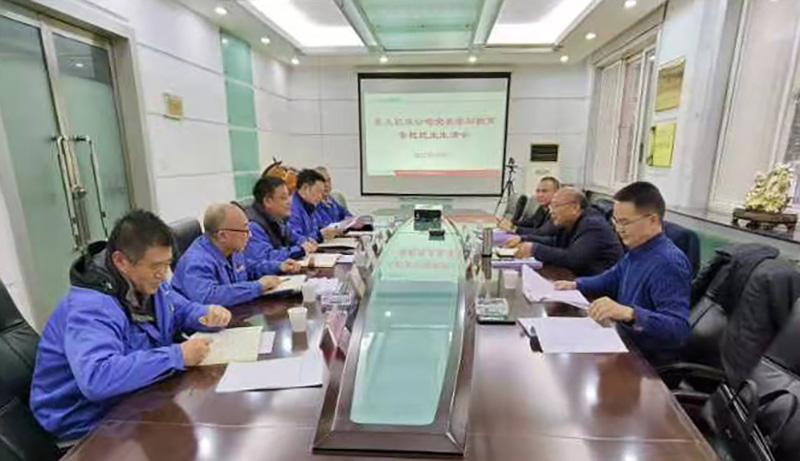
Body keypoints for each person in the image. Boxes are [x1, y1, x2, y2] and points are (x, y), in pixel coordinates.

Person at [30, 210, 233, 440]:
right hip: (87, 423)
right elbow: (97, 378)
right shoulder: (91, 307)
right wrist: (177, 356)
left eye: (167, 264)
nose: (163, 275)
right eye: (156, 266)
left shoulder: (146, 281)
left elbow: (179, 309)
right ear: (121, 261)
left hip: (133, 400)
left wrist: (205, 314)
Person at [554, 182, 692, 365]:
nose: (618, 229)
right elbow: (612, 278)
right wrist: (576, 284)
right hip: (622, 341)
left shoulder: (668, 263)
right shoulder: (638, 249)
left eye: (625, 222)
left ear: (653, 220)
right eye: (616, 221)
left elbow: (678, 330)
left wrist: (630, 313)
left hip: (644, 361)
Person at [172, 203, 300, 306]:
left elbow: (248, 268)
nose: (250, 235)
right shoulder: (197, 261)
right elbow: (208, 297)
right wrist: (257, 286)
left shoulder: (231, 249)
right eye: (244, 230)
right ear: (222, 235)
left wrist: (278, 266)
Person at [513, 187, 622, 276]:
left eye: (556, 206)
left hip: (599, 288)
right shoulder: (570, 222)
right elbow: (556, 242)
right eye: (551, 206)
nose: (551, 212)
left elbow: (574, 259)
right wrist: (525, 239)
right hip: (579, 279)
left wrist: (536, 249)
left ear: (575, 208)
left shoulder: (593, 225)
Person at [245, 176, 318, 272]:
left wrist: (305, 241)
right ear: (267, 201)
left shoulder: (277, 218)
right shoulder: (252, 225)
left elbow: (292, 236)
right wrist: (299, 250)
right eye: (284, 198)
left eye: (289, 196)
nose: (290, 202)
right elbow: (265, 257)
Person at [501, 176, 560, 246]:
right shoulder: (542, 208)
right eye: (538, 191)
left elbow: (542, 233)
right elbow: (531, 222)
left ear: (557, 192)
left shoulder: (559, 211)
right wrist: (510, 222)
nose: (540, 195)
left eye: (545, 191)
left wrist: (514, 229)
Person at [288, 169, 341, 243]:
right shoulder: (292, 207)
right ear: (306, 188)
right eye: (318, 191)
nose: (320, 197)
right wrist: (320, 235)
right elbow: (294, 238)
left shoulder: (310, 206)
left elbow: (319, 226)